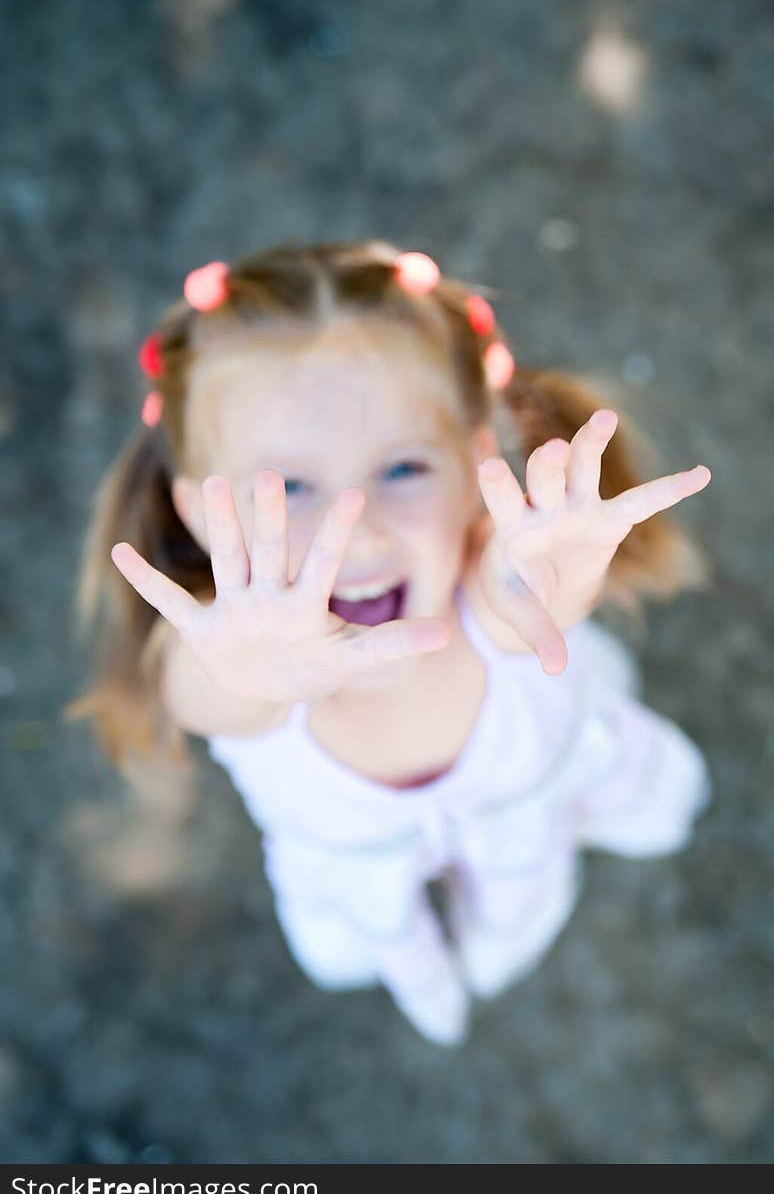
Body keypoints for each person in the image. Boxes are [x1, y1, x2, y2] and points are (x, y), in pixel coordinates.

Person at [69, 238, 713, 1046]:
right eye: (290, 488)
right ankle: (421, 967)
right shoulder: (229, 650)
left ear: (478, 458)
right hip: (356, 859)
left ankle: (497, 948)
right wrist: (248, 674)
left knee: (523, 909)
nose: (360, 530)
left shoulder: (489, 574)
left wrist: (557, 573)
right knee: (351, 943)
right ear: (201, 512)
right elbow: (202, 690)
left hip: (527, 814)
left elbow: (524, 601)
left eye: (403, 468)